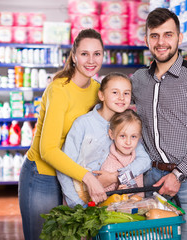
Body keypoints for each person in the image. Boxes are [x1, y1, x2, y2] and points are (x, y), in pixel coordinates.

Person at [131, 8, 187, 240]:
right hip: (150, 176)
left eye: (168, 35)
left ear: (180, 38)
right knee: (152, 237)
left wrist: (179, 174)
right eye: (154, 36)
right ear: (146, 40)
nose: (161, 42)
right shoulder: (138, 80)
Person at [18, 28, 107, 240]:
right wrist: (87, 177)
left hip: (72, 176)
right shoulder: (59, 90)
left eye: (97, 53)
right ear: (74, 56)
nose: (91, 60)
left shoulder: (97, 90)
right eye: (84, 54)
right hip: (43, 175)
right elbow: (48, 150)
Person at [57, 73, 151, 207]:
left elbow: (144, 161)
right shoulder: (83, 124)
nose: (121, 98)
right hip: (81, 201)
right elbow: (64, 167)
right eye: (115, 92)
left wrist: (116, 177)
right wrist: (77, 205)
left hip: (112, 203)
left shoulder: (126, 125)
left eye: (126, 93)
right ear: (101, 95)